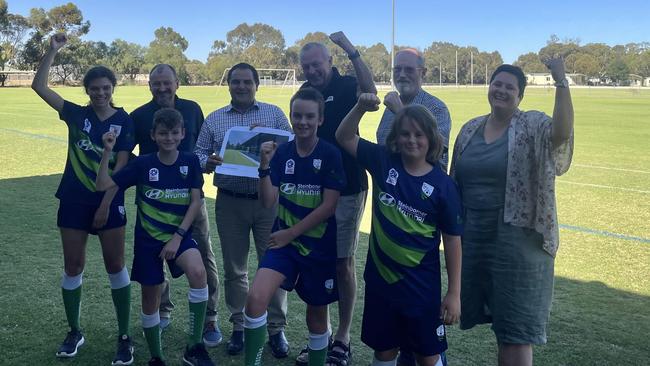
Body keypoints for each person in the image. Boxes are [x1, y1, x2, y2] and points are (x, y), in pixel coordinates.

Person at [450, 59, 574, 366]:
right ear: (489, 87)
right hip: (475, 238)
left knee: (515, 331)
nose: (501, 91)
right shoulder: (470, 129)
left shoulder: (531, 124)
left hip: (518, 242)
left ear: (520, 95)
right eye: (497, 84)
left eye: (510, 87)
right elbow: (453, 181)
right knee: (494, 321)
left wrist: (561, 82)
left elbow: (560, 134)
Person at [336, 94, 462, 366]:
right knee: (384, 351)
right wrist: (359, 107)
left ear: (431, 138)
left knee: (427, 355)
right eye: (404, 133)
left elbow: (452, 241)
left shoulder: (443, 186)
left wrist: (453, 293)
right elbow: (344, 136)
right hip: (381, 283)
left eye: (419, 134)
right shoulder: (384, 161)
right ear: (395, 136)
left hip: (421, 289)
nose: (411, 140)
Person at [31, 33, 135, 365]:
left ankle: (124, 336)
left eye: (106, 88)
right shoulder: (76, 115)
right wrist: (51, 51)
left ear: (112, 89)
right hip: (74, 199)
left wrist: (105, 205)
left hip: (108, 202)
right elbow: (39, 87)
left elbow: (120, 169)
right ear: (87, 90)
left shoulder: (124, 121)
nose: (101, 93)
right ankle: (74, 331)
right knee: (73, 266)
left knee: (115, 266)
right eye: (95, 88)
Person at [96, 108, 215, 366]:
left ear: (183, 134)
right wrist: (108, 151)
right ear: (153, 135)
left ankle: (194, 347)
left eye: (174, 132)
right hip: (148, 240)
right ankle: (156, 357)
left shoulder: (190, 162)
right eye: (163, 133)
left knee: (198, 272)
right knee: (151, 297)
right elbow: (103, 184)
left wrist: (178, 236)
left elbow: (195, 202)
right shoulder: (143, 163)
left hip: (179, 235)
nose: (169, 138)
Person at [195, 62, 292, 357]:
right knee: (235, 268)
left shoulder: (273, 115)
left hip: (268, 202)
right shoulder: (215, 119)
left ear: (256, 84)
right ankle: (239, 325)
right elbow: (198, 152)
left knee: (273, 266)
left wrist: (271, 143)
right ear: (229, 85)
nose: (241, 86)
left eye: (247, 82)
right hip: (230, 200)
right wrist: (206, 162)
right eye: (235, 81)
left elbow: (291, 146)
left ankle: (275, 329)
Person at [244, 88, 345, 366]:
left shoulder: (329, 154)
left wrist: (290, 233)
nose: (303, 122)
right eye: (297, 115)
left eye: (309, 116)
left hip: (316, 246)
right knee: (255, 298)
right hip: (284, 246)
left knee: (316, 314)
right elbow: (267, 201)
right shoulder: (281, 152)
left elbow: (329, 207)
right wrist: (263, 166)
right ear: (290, 117)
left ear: (320, 119)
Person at [296, 31, 377, 366]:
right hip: (313, 190)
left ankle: (342, 338)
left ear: (330, 62)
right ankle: (322, 336)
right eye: (307, 66)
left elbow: (370, 92)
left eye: (317, 64)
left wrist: (351, 49)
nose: (313, 70)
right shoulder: (305, 93)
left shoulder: (346, 86)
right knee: (317, 262)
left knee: (342, 263)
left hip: (347, 187)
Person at [130, 63, 222, 347]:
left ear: (176, 83)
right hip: (154, 204)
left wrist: (206, 162)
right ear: (149, 86)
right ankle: (162, 310)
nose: (161, 88)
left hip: (191, 199)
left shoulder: (192, 109)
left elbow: (206, 147)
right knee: (156, 257)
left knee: (203, 257)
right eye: (156, 83)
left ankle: (209, 319)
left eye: (166, 82)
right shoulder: (139, 116)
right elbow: (127, 155)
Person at [378, 48, 452, 171]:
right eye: (397, 69)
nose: (401, 75)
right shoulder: (389, 108)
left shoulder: (436, 108)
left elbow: (438, 158)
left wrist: (401, 112)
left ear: (423, 73)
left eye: (409, 69)